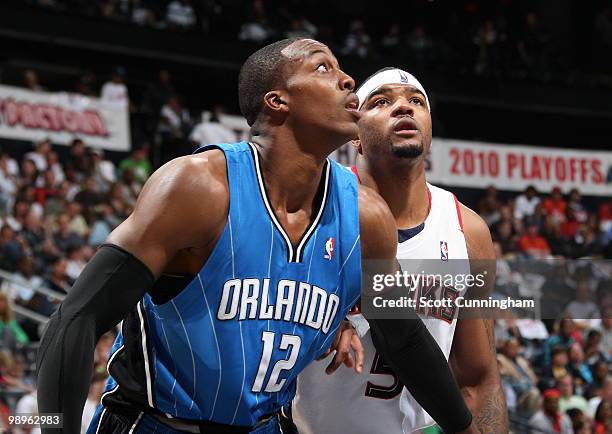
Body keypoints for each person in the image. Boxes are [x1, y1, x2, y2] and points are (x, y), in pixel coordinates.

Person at [37, 40, 476, 434]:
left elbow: (407, 340)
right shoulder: (199, 188)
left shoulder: (367, 218)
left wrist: (463, 427)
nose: (347, 80)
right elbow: (75, 319)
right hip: (156, 423)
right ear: (277, 101)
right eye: (323, 68)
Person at [291, 68, 506, 433]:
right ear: (355, 136)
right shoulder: (316, 206)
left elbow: (479, 377)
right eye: (382, 101)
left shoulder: (468, 230)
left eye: (416, 102)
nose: (403, 108)